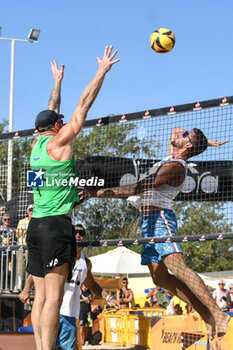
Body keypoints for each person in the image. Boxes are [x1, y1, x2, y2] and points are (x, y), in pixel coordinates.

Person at [78, 127, 229, 338]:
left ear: (188, 146)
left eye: (186, 136)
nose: (180, 133)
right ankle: (206, 314)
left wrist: (97, 193)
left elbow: (139, 187)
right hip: (147, 222)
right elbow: (176, 130)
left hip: (160, 220)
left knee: (179, 268)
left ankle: (218, 314)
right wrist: (205, 142)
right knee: (160, 278)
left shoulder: (176, 166)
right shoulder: (172, 154)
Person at [26, 47, 120, 350]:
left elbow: (51, 107)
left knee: (40, 297)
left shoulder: (36, 146)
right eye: (60, 122)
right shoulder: (58, 143)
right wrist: (101, 71)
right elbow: (84, 105)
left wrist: (57, 82)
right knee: (54, 298)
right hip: (56, 226)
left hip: (35, 226)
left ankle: (41, 348)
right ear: (56, 127)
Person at [20, 224, 119, 350]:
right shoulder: (60, 255)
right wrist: (26, 289)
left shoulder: (86, 263)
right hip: (52, 311)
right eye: (75, 233)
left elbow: (92, 285)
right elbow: (35, 274)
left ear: (85, 238)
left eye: (81, 234)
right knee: (46, 347)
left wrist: (109, 298)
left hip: (71, 314)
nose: (78, 236)